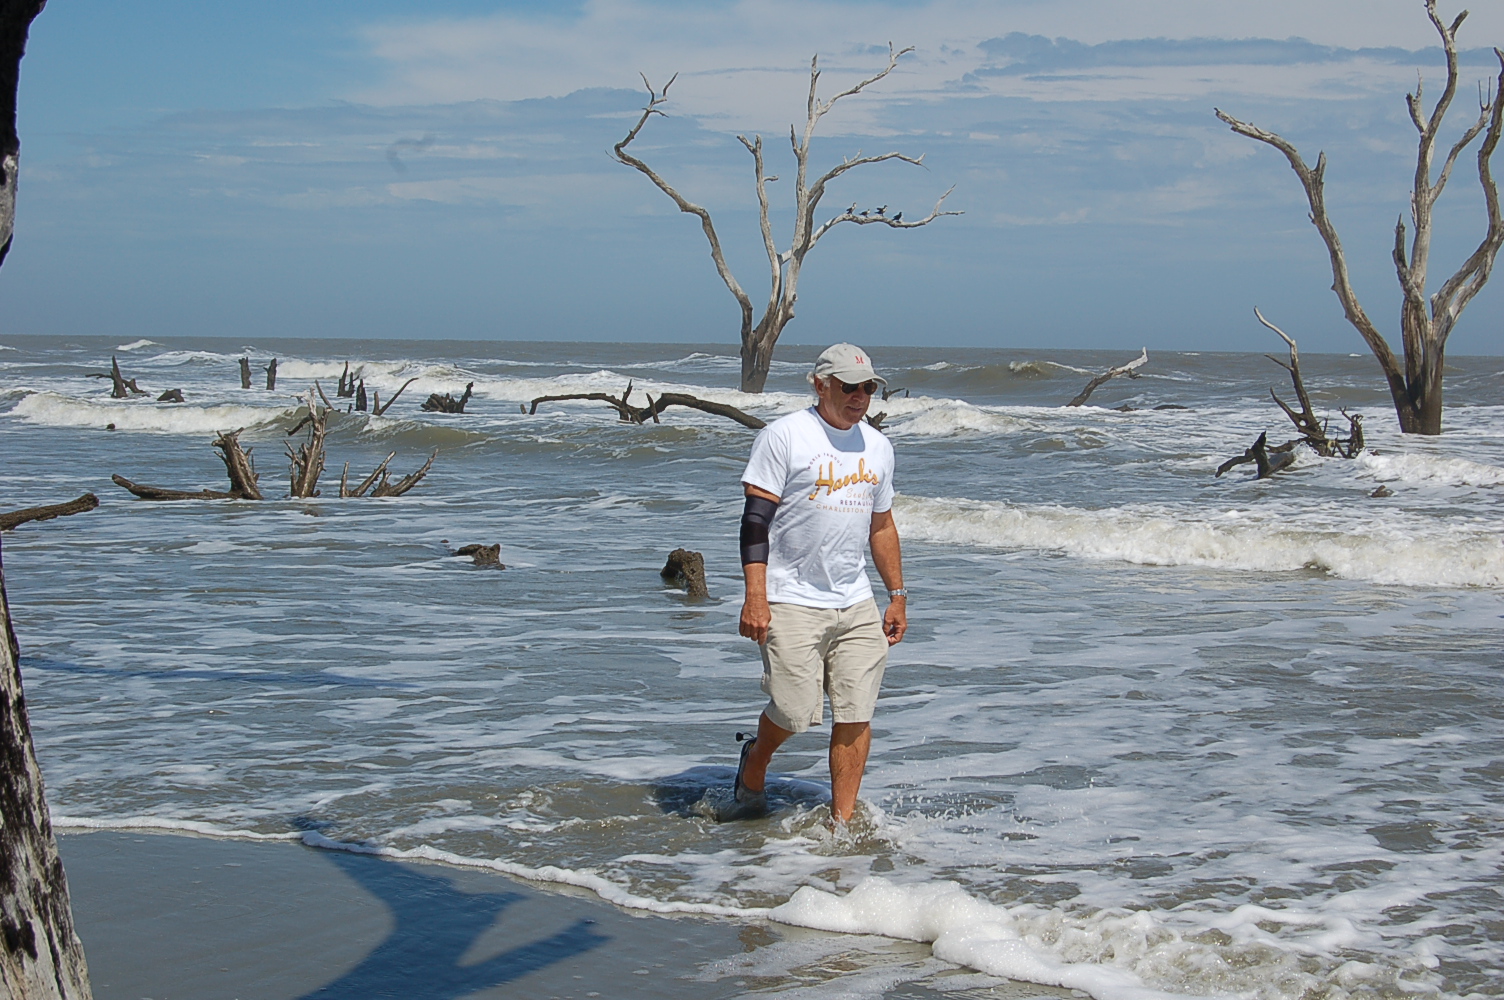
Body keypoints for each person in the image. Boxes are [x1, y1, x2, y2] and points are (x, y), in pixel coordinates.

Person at [734, 342, 907, 825]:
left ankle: (842, 826)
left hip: (854, 601)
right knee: (792, 712)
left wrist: (897, 595)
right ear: (820, 384)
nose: (860, 396)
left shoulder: (877, 446)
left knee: (855, 714)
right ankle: (756, 760)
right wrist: (756, 596)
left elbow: (883, 526)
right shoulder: (785, 436)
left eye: (868, 387)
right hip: (789, 598)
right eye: (849, 387)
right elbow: (754, 523)